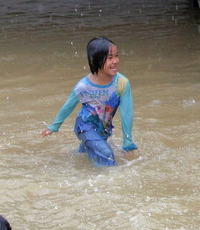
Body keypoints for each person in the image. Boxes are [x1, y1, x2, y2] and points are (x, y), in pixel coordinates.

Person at [41, 37, 137, 166]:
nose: (115, 61)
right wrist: (54, 127)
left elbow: (127, 113)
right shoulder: (84, 86)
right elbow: (68, 106)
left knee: (90, 151)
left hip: (103, 128)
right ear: (95, 61)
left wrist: (128, 142)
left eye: (116, 56)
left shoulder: (122, 83)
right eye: (110, 58)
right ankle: (106, 183)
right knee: (107, 156)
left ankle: (70, 154)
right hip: (85, 127)